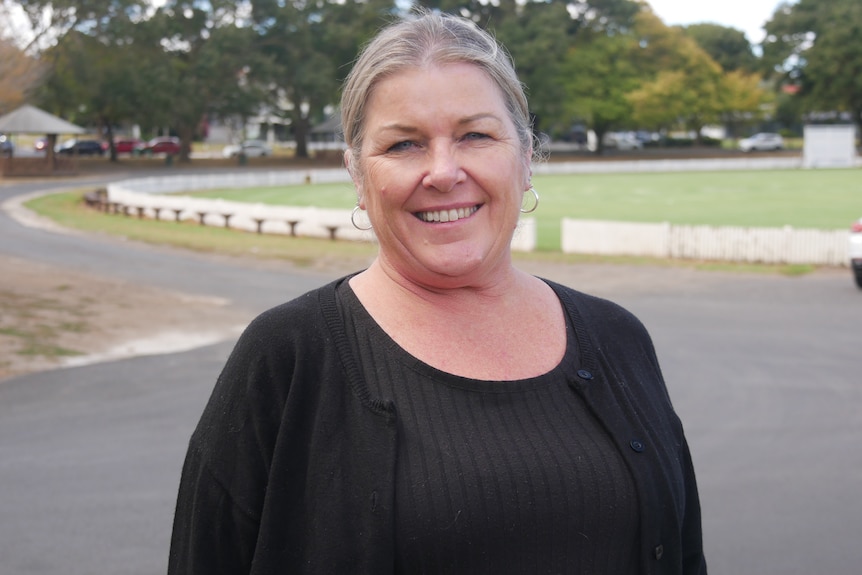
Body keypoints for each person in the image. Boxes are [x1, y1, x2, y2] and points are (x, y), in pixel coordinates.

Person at [167, 11, 706, 575]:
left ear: (526, 158)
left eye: (475, 135)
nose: (444, 172)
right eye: (404, 145)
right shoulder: (287, 357)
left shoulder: (617, 340)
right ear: (357, 174)